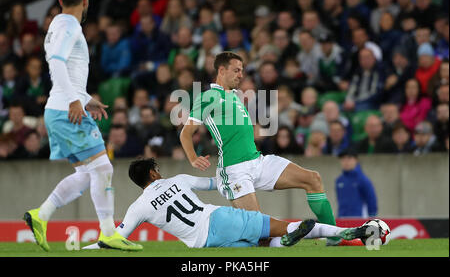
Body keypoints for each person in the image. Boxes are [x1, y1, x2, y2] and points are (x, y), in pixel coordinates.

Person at [23, 0, 142, 252]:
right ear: (86, 1)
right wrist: (77, 101)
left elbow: (63, 71)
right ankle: (109, 233)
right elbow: (57, 63)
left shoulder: (57, 24)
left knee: (90, 172)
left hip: (61, 107)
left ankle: (41, 215)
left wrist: (86, 99)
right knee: (102, 168)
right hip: (66, 109)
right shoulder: (68, 25)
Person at [180, 51, 345, 246]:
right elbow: (186, 132)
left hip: (257, 162)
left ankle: (335, 239)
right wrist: (192, 157)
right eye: (236, 70)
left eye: (242, 70)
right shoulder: (209, 96)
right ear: (222, 70)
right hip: (234, 170)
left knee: (312, 179)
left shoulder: (234, 95)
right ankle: (270, 239)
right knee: (258, 228)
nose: (241, 74)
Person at [83, 158, 374, 249]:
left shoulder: (138, 207)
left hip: (202, 244)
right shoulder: (179, 180)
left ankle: (284, 243)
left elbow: (115, 239)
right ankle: (347, 232)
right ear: (153, 173)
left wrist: (88, 248)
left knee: (260, 246)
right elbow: (216, 183)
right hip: (219, 218)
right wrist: (238, 175)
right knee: (284, 226)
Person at [335, 149, 378, 218]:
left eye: (349, 158)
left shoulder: (363, 180)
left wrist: (372, 219)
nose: (346, 162)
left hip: (359, 220)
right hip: (342, 219)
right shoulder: (339, 180)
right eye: (343, 159)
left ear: (356, 160)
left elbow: (371, 201)